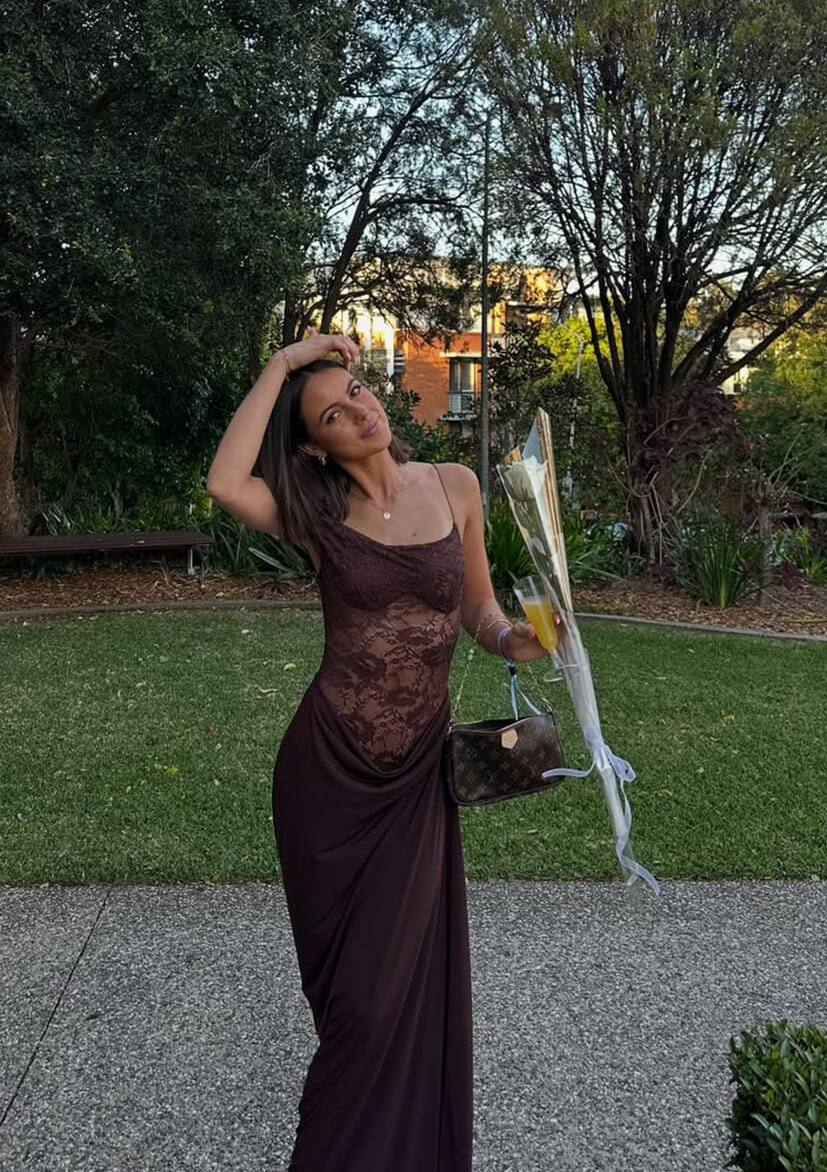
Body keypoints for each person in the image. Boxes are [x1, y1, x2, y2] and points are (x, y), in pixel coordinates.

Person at [205, 330, 550, 1172]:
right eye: (333, 414)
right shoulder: (315, 515)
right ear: (314, 446)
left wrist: (516, 639)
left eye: (356, 393)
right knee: (354, 1008)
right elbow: (224, 481)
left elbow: (478, 610)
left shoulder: (455, 485)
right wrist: (284, 364)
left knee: (396, 995)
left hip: (417, 781)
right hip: (329, 780)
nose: (360, 411)